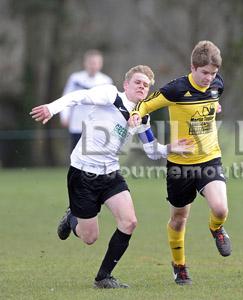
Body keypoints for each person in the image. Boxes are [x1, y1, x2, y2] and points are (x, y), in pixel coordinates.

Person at [30, 65, 191, 288]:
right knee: (90, 238)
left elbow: (152, 151)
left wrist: (170, 148)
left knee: (130, 222)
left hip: (110, 173)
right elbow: (79, 96)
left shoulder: (142, 118)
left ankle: (103, 277)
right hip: (83, 172)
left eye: (146, 85)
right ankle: (72, 218)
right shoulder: (110, 95)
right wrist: (52, 108)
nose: (142, 87)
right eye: (138, 82)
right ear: (126, 84)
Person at [129, 40, 231, 285]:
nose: (209, 78)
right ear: (193, 67)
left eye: (213, 73)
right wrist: (135, 114)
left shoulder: (217, 85)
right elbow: (146, 104)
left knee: (220, 209)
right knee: (179, 218)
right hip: (180, 165)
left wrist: (214, 106)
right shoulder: (176, 89)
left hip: (209, 159)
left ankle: (216, 228)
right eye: (204, 72)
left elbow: (213, 99)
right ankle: (179, 266)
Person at [60, 49, 113, 150]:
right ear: (85, 63)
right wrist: (64, 116)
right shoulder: (75, 79)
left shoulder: (106, 81)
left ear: (101, 64)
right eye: (91, 63)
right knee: (76, 156)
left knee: (94, 156)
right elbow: (67, 97)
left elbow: (110, 104)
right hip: (77, 123)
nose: (93, 66)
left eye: (96, 63)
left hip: (97, 125)